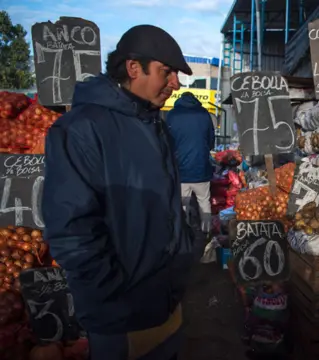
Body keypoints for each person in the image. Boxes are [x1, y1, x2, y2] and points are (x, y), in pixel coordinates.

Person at [42, 25, 194, 360]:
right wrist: (112, 292)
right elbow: (70, 229)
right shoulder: (79, 128)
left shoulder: (154, 124)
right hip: (120, 316)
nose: (175, 84)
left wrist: (182, 255)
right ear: (133, 68)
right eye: (166, 72)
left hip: (165, 301)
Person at [166, 92, 215, 233]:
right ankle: (207, 232)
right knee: (204, 202)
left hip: (180, 170)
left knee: (182, 204)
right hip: (201, 168)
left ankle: (184, 233)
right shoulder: (204, 114)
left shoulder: (172, 115)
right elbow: (211, 140)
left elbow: (167, 142)